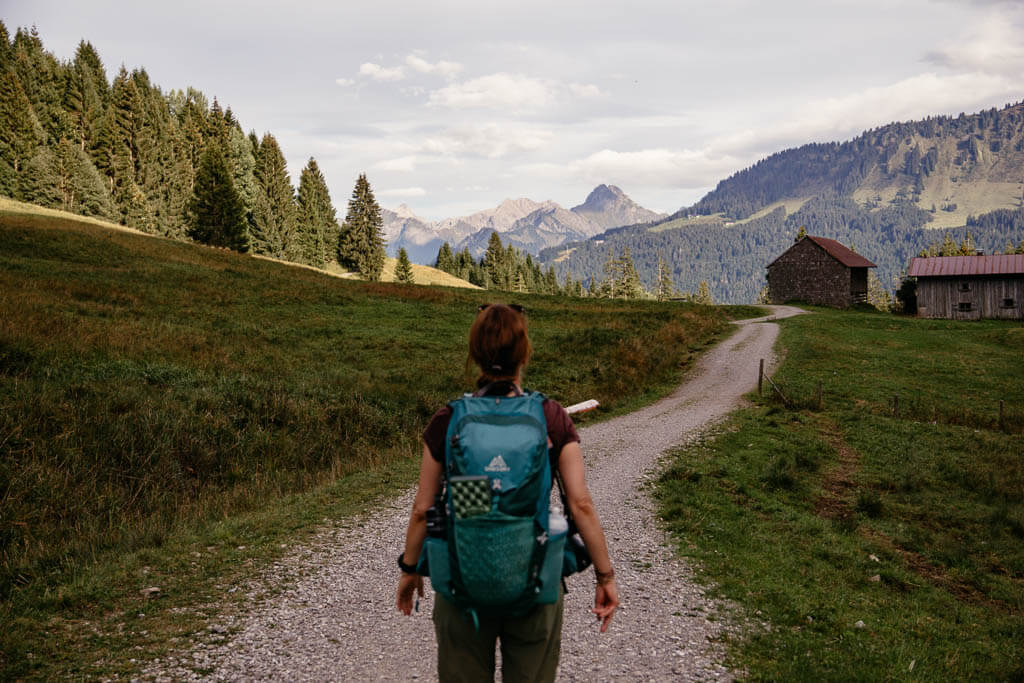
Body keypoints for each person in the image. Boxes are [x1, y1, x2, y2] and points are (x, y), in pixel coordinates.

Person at [396, 303, 619, 682]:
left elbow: (423, 509)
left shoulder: (448, 420)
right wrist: (605, 576)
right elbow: (581, 504)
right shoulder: (550, 416)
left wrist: (410, 569)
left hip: (461, 585)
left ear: (475, 354)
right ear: (524, 352)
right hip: (534, 580)